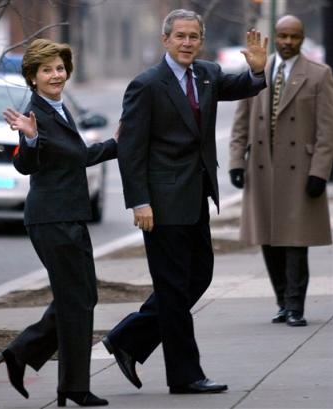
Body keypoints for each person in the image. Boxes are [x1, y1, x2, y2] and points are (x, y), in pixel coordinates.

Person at [102, 9, 267, 394]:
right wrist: (139, 202)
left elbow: (239, 85)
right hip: (160, 204)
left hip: (195, 196)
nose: (188, 43)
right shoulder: (146, 84)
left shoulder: (206, 74)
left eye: (194, 36)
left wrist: (257, 73)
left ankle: (128, 338)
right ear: (165, 40)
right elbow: (130, 150)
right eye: (180, 36)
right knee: (173, 289)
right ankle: (185, 375)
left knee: (199, 276)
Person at [0, 39, 117, 407]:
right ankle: (72, 386)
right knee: (76, 300)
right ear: (32, 77)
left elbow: (72, 155)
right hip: (52, 218)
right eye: (46, 70)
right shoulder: (36, 115)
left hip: (69, 215)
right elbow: (27, 163)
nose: (56, 74)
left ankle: (23, 353)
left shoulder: (57, 108)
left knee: (82, 297)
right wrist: (29, 140)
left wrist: (115, 143)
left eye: (60, 68)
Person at [229, 15, 333, 327]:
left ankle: (295, 306)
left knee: (295, 240)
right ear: (275, 36)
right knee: (269, 238)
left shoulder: (319, 74)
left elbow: (327, 130)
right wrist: (236, 161)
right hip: (262, 168)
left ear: (302, 39)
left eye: (294, 37)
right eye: (283, 36)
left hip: (300, 170)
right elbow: (240, 120)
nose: (288, 42)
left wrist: (320, 171)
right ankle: (280, 301)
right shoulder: (257, 71)